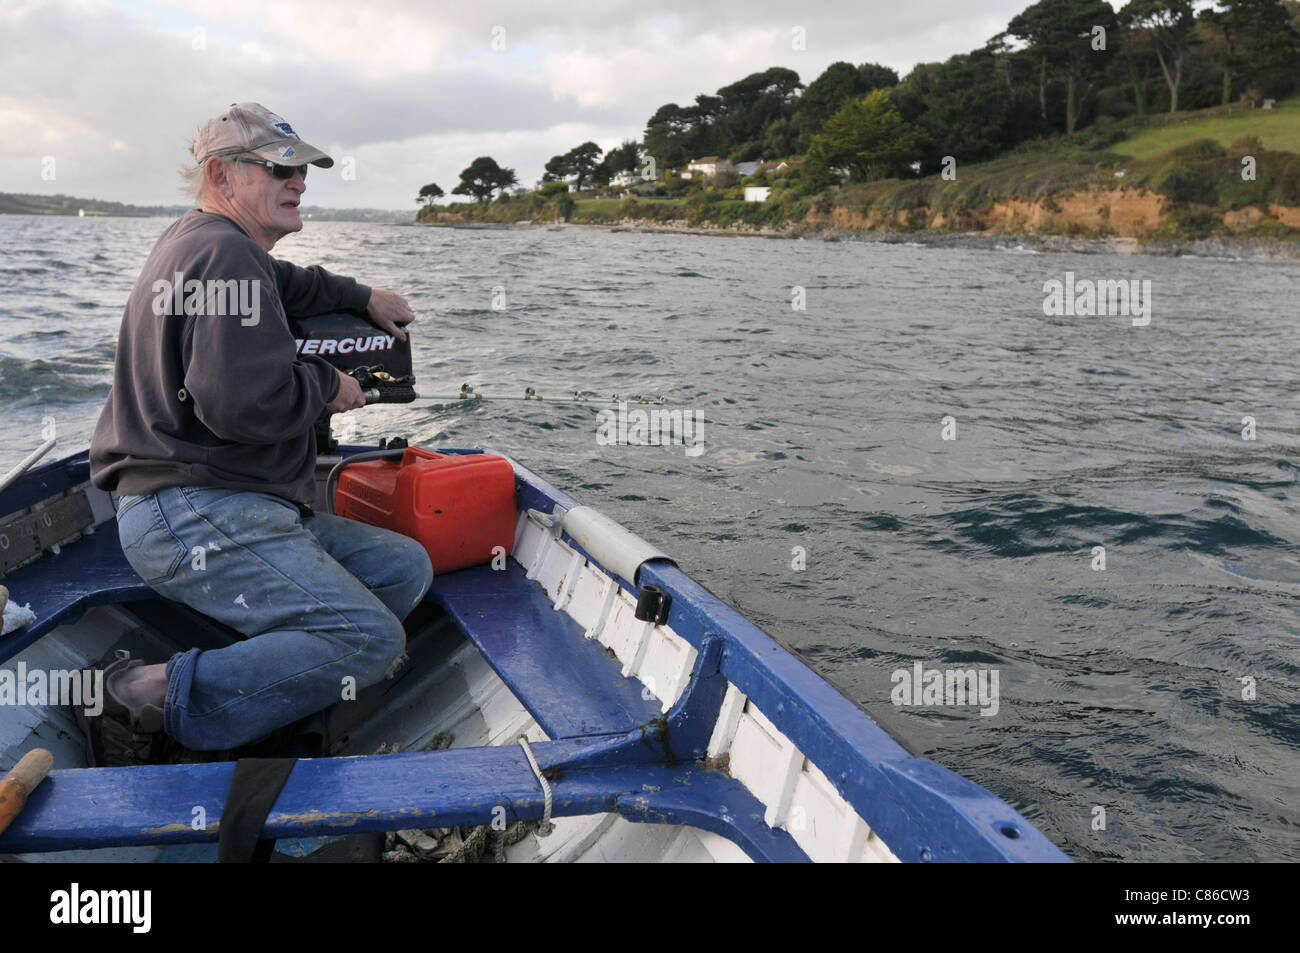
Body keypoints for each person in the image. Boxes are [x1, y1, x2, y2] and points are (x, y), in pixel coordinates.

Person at [85, 103, 434, 764]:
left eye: (301, 168)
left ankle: (268, 692)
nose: (298, 181)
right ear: (222, 175)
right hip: (191, 508)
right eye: (279, 168)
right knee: (370, 642)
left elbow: (289, 282)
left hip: (200, 501)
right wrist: (327, 384)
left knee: (402, 567)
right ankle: (138, 691)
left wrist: (360, 295)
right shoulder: (226, 256)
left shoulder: (206, 241)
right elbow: (238, 404)